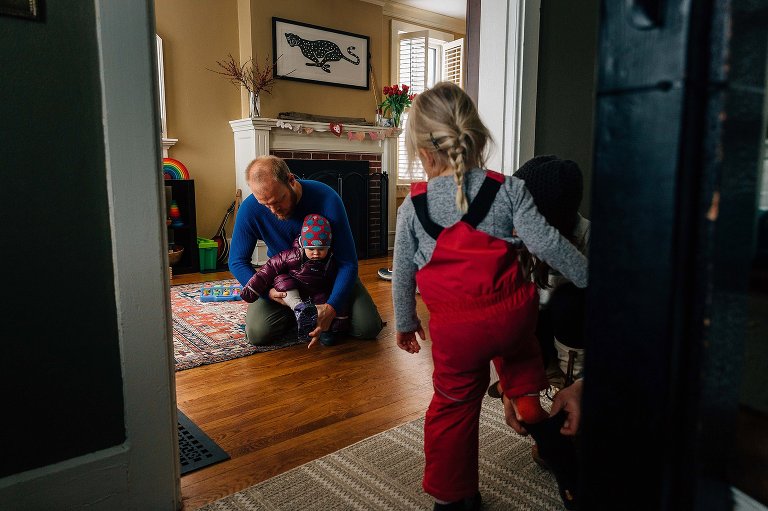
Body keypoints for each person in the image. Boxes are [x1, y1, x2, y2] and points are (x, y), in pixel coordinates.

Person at [392, 82, 587, 511]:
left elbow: (402, 274)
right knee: (521, 358)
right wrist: (591, 279)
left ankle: (454, 499)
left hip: (458, 332)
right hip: (512, 318)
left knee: (453, 407)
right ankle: (534, 413)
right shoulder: (509, 189)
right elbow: (548, 244)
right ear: (478, 137)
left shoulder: (412, 207)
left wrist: (405, 323)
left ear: (423, 153)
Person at [229, 155, 383, 347]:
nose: (274, 210)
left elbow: (348, 263)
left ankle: (316, 313)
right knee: (257, 334)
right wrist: (268, 293)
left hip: (328, 274)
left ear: (291, 180)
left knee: (368, 328)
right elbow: (237, 261)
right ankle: (300, 313)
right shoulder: (250, 209)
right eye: (266, 205)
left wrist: (332, 307)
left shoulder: (327, 198)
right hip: (284, 281)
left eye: (278, 200)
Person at [488, 155, 591, 398]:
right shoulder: (515, 241)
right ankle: (529, 377)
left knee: (568, 300)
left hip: (579, 336)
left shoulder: (588, 241)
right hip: (541, 336)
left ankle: (572, 384)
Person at [240, 213, 349, 347]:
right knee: (281, 280)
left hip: (317, 291)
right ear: (303, 245)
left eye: (321, 249)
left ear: (328, 247)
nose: (316, 253)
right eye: (311, 249)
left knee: (329, 296)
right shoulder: (291, 255)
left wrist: (338, 322)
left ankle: (323, 329)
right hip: (294, 289)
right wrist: (252, 289)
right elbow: (268, 269)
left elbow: (338, 282)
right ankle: (299, 309)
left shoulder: (331, 261)